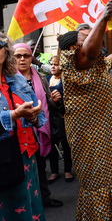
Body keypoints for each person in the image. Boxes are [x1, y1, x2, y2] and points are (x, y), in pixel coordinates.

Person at [58, 0, 112, 220]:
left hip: (107, 130)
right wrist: (103, 17)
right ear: (75, 47)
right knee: (97, 179)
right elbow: (89, 54)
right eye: (86, 37)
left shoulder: (95, 63)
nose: (94, 37)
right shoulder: (75, 62)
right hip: (89, 136)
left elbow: (108, 61)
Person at [0, 33, 47, 220]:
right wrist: (14, 115)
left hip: (26, 156)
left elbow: (39, 115)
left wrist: (34, 117)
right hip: (3, 159)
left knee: (32, 209)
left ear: (6, 50)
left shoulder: (17, 79)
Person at [13, 43, 63, 208]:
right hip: (19, 131)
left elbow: (46, 104)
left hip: (39, 129)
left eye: (26, 55)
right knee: (22, 169)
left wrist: (53, 101)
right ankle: (26, 203)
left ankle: (44, 198)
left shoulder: (40, 77)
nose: (22, 59)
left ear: (31, 58)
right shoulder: (8, 79)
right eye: (17, 56)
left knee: (41, 166)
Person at [46, 55, 74, 183]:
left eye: (56, 64)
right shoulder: (45, 80)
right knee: (51, 145)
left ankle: (67, 170)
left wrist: (59, 101)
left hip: (63, 116)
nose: (53, 66)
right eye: (51, 64)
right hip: (49, 117)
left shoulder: (65, 80)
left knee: (66, 144)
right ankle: (54, 171)